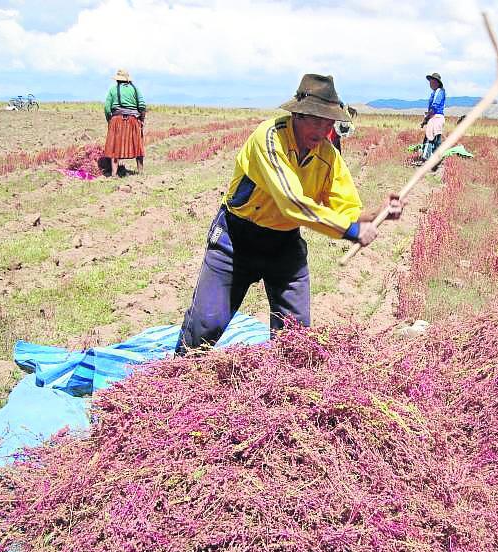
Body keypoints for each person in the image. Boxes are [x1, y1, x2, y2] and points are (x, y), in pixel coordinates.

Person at [175, 74, 403, 353]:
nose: (322, 130)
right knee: (205, 325)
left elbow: (346, 209)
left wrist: (379, 213)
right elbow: (292, 202)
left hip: (284, 244)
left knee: (295, 337)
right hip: (235, 240)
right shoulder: (269, 138)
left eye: (328, 122)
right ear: (297, 115)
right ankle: (178, 370)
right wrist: (352, 232)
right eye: (316, 120)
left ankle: (285, 379)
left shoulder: (327, 156)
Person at [103, 69, 146, 176]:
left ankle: (114, 174)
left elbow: (107, 108)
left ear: (117, 80)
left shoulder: (113, 90)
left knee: (115, 146)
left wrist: (110, 120)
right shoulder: (135, 89)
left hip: (116, 120)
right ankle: (140, 172)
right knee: (138, 145)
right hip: (133, 120)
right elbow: (142, 106)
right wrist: (142, 120)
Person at [419, 72, 446, 162]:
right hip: (434, 117)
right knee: (434, 139)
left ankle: (430, 160)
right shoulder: (435, 92)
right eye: (430, 81)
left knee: (432, 139)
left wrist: (426, 118)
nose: (431, 83)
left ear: (437, 83)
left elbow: (434, 106)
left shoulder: (439, 91)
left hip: (436, 117)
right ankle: (434, 160)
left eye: (432, 81)